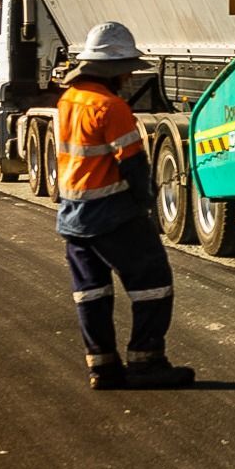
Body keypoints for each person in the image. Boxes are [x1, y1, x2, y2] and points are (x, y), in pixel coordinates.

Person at [55, 22, 194, 389]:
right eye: (127, 67)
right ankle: (147, 363)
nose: (131, 74)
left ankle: (102, 367)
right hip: (111, 214)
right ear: (112, 69)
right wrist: (145, 206)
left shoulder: (69, 100)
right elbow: (132, 163)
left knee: (92, 292)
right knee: (153, 282)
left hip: (72, 216)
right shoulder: (111, 106)